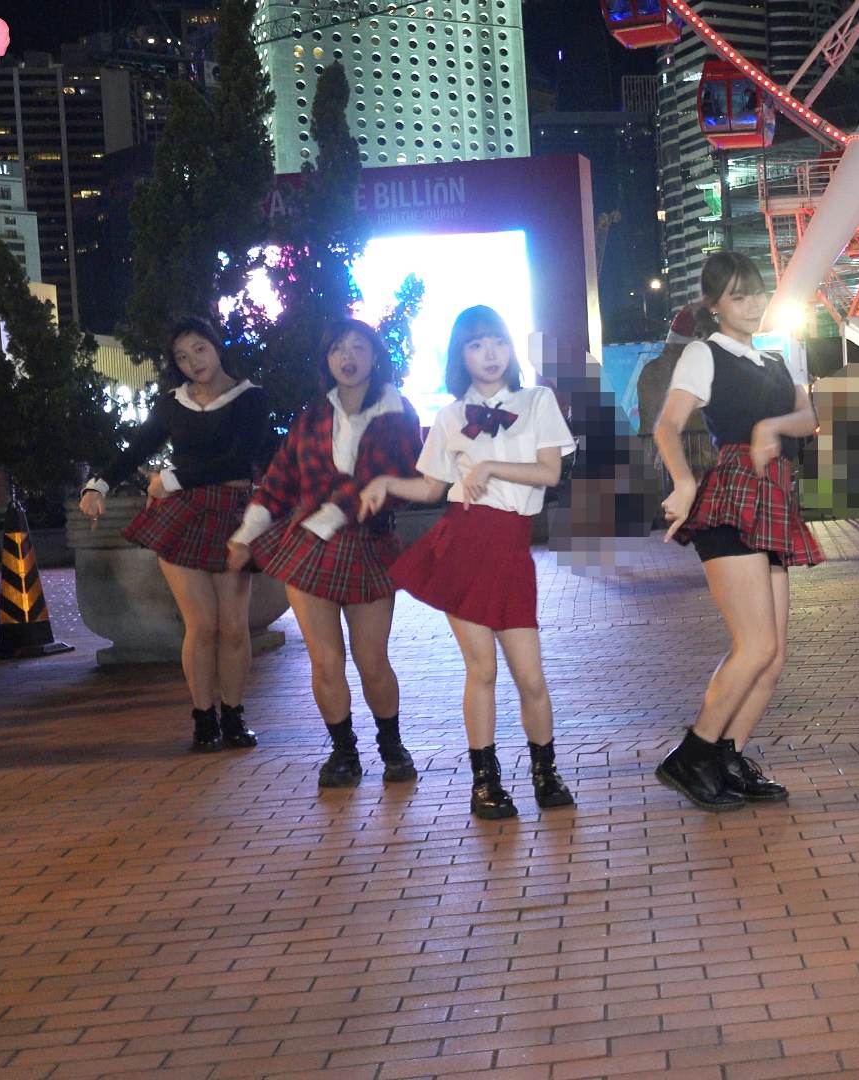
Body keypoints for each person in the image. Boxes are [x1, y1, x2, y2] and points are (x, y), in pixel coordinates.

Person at [363, 306, 578, 818]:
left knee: (531, 676)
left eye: (497, 341)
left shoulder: (537, 401)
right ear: (461, 355)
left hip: (511, 548)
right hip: (462, 543)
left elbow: (550, 473)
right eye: (476, 344)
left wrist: (489, 465)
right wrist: (387, 483)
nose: (490, 353)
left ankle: (546, 773)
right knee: (481, 669)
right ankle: (485, 782)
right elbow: (431, 488)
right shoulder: (449, 417)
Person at [651, 252, 822, 812]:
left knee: (773, 656)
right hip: (731, 500)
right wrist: (683, 482)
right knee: (756, 646)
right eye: (737, 296)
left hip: (772, 502)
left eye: (756, 293)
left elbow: (808, 419)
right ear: (715, 305)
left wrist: (770, 425)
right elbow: (667, 426)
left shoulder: (777, 358)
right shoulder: (705, 353)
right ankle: (692, 756)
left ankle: (728, 758)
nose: (751, 305)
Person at [227, 319, 422, 788]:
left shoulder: (396, 411)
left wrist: (331, 516)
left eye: (358, 347)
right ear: (327, 359)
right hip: (310, 547)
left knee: (372, 659)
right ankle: (343, 752)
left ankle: (391, 745)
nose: (347, 357)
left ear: (375, 356)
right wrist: (247, 532)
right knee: (325, 661)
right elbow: (279, 480)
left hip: (368, 542)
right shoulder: (312, 415)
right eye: (337, 348)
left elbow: (391, 473)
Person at [79, 316, 269, 752]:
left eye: (200, 349)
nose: (193, 362)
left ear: (216, 346)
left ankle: (234, 717)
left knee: (233, 626)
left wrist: (172, 478)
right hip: (181, 516)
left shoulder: (250, 398)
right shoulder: (172, 403)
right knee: (201, 625)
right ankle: (204, 720)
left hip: (231, 514)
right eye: (182, 357)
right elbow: (139, 447)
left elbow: (238, 460)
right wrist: (98, 485)